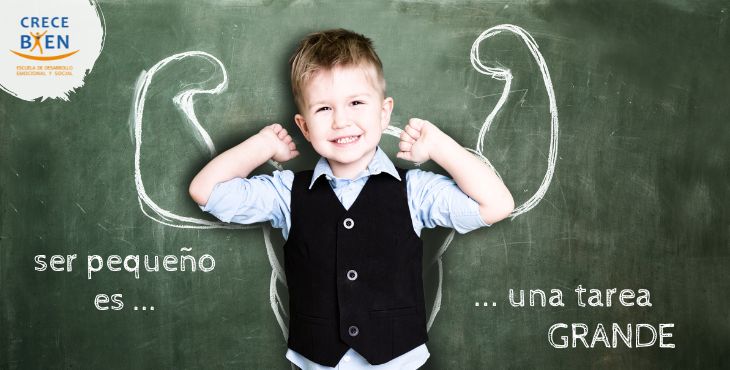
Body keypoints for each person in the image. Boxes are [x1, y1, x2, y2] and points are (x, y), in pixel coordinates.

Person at [189, 28, 514, 370]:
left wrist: (440, 147)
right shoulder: (286, 193)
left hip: (400, 362)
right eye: (324, 109)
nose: (342, 121)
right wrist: (262, 146)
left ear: (384, 112)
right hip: (315, 361)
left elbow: (496, 204)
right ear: (304, 126)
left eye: (356, 102)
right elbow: (206, 191)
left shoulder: (415, 191)